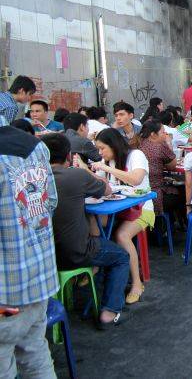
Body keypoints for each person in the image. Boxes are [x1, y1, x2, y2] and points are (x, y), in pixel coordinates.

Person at [42, 133, 130, 329]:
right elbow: (107, 190)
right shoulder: (76, 176)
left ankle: (90, 276)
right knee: (121, 257)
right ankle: (109, 312)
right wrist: (85, 170)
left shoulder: (35, 180)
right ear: (68, 156)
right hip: (77, 251)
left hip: (46, 256)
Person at [0, 117, 58, 378]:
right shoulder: (36, 146)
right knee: (35, 354)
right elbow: (51, 202)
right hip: (40, 277)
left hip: (6, 289)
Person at [84, 128, 153, 304]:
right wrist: (85, 170)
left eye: (102, 148)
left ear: (113, 146)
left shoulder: (135, 155)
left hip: (142, 208)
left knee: (122, 236)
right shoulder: (107, 160)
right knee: (91, 220)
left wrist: (105, 167)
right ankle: (97, 264)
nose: (100, 153)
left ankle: (137, 283)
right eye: (98, 149)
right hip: (118, 210)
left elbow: (136, 179)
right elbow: (101, 183)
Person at [137, 120, 178, 216]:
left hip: (139, 193)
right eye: (163, 132)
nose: (165, 134)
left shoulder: (138, 144)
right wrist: (168, 142)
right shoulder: (160, 146)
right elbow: (173, 166)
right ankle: (177, 226)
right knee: (181, 194)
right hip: (155, 194)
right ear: (153, 135)